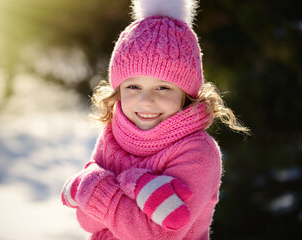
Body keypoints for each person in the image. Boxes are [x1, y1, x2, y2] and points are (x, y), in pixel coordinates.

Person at [61, 0, 250, 239]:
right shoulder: (112, 135)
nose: (146, 101)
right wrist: (135, 195)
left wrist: (98, 188)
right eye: (134, 86)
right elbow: (86, 221)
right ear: (118, 90)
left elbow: (157, 234)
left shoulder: (197, 152)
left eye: (162, 88)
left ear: (186, 95)